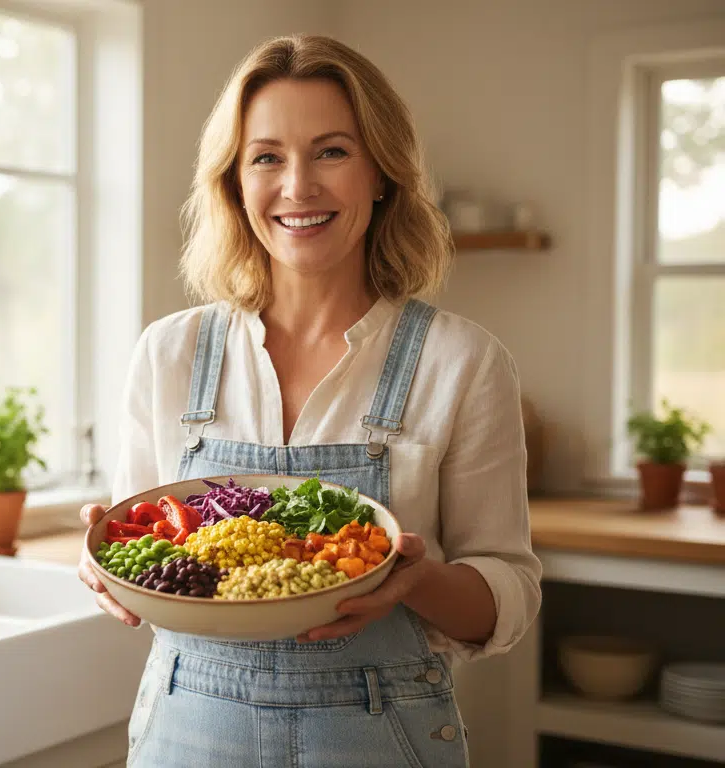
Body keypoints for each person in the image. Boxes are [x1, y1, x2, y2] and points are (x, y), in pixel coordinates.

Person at [76, 34, 542, 767]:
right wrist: (110, 567)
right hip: (189, 735)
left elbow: (507, 594)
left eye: (331, 152)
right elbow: (143, 552)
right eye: (266, 157)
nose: (297, 187)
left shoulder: (462, 362)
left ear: (382, 174)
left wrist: (415, 581)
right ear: (233, 182)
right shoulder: (169, 354)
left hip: (380, 734)